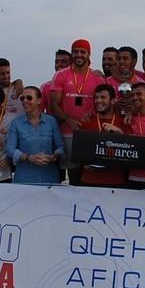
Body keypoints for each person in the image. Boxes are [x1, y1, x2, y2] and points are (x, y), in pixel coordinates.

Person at [50, 38, 106, 184]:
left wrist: (93, 117)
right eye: (75, 52)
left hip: (90, 134)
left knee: (90, 175)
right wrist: (68, 120)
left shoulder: (97, 78)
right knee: (72, 177)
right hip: (68, 133)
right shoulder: (61, 75)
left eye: (82, 52)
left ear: (89, 54)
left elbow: (103, 105)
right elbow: (54, 104)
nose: (79, 55)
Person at [76, 84, 132, 187]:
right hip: (89, 180)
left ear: (113, 100)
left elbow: (131, 149)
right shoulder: (86, 122)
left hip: (115, 181)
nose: (98, 101)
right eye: (96, 98)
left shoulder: (123, 122)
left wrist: (119, 132)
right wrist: (83, 163)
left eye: (103, 97)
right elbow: (79, 150)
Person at [7, 86, 65, 184]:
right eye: (22, 98)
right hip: (24, 179)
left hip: (49, 178)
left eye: (29, 98)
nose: (25, 101)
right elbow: (9, 149)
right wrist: (28, 157)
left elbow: (61, 147)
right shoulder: (16, 123)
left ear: (39, 101)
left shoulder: (51, 121)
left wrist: (54, 157)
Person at [41, 49, 72, 113]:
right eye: (56, 62)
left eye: (63, 62)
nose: (59, 64)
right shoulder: (45, 87)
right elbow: (39, 112)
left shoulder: (79, 85)